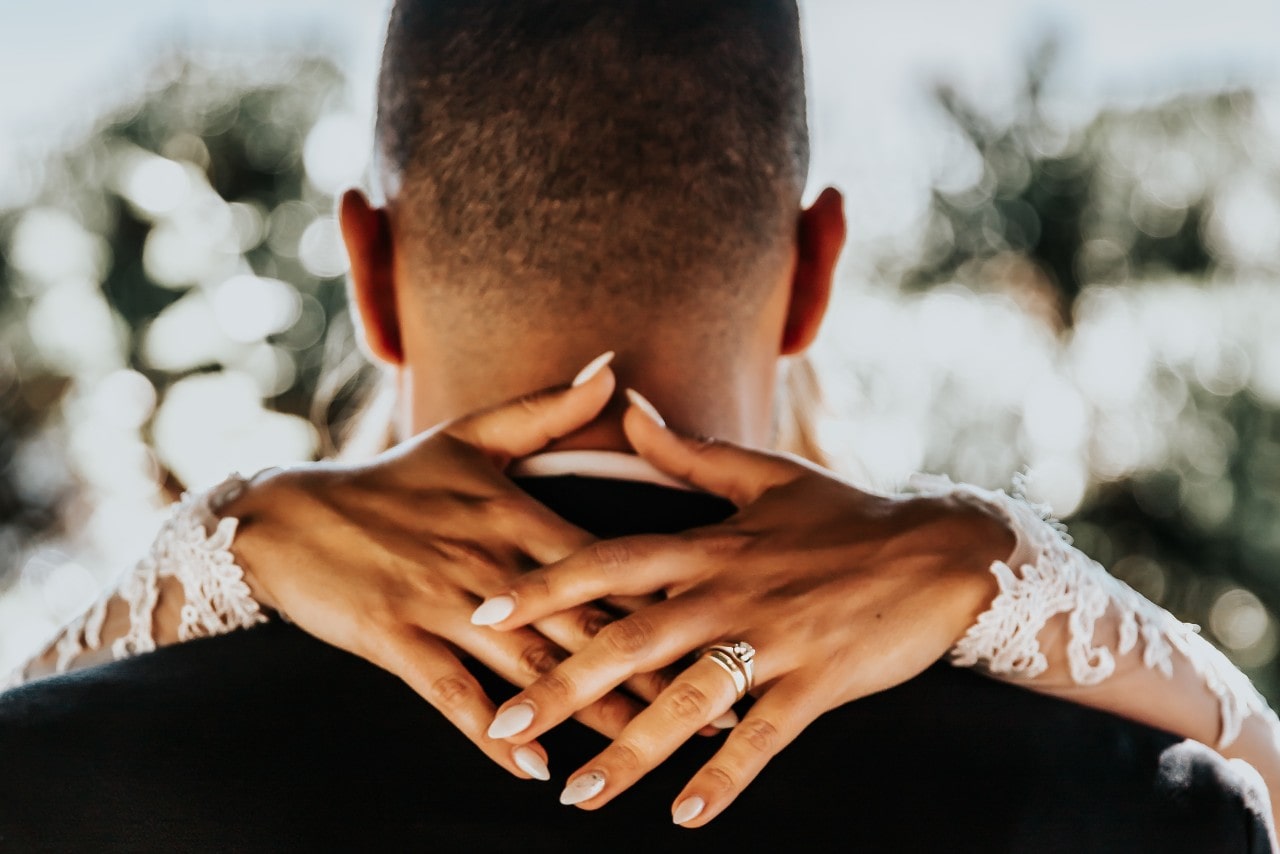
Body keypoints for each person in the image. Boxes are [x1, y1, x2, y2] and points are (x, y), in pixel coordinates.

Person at [0, 0, 1275, 849]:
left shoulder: (55, 774)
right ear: (815, 264)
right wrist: (1010, 571)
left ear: (369, 271)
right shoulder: (1141, 800)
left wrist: (212, 550)